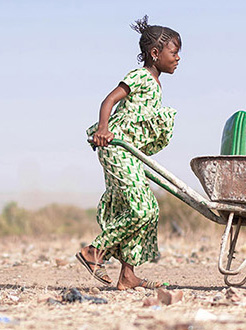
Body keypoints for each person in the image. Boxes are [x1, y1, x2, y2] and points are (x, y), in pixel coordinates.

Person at [76, 15, 181, 290]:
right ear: (155, 53)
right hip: (116, 148)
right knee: (142, 210)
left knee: (143, 210)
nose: (178, 58)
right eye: (174, 52)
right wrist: (102, 128)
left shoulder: (156, 84)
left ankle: (128, 275)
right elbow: (109, 100)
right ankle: (94, 252)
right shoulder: (139, 76)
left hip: (130, 153)